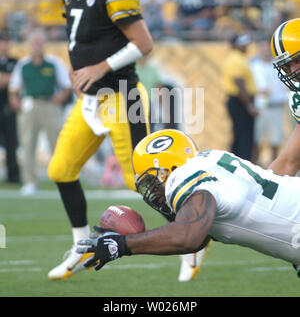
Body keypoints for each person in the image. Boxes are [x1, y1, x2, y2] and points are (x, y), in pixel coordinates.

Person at [46, 0, 153, 281]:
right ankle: (80, 247)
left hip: (122, 94)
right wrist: (78, 72)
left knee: (141, 179)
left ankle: (193, 235)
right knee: (61, 169)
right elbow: (76, 40)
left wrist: (99, 68)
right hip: (91, 99)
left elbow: (143, 43)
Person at [76, 129, 300, 280]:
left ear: (169, 168)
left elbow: (187, 236)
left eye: (152, 180)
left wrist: (122, 245)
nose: (153, 190)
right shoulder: (209, 160)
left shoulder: (183, 177)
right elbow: (197, 240)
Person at [8, 28, 72, 195]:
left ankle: (62, 179)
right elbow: (14, 89)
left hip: (49, 104)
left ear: (44, 44)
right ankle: (29, 181)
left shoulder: (54, 63)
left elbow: (66, 86)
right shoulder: (23, 64)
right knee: (27, 144)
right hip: (29, 105)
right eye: (34, 42)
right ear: (29, 44)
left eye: (39, 42)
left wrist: (58, 100)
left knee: (57, 144)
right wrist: (17, 103)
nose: (37, 45)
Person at [268, 18, 300, 175]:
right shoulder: (297, 97)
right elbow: (289, 162)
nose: (294, 70)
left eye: (298, 60)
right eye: (287, 66)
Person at [250, 39, 287, 165]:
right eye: (263, 48)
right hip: (261, 107)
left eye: (267, 48)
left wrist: (285, 97)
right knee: (257, 139)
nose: (265, 51)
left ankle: (273, 169)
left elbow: (284, 85)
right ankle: (255, 166)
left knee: (275, 140)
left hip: (276, 106)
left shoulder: (277, 65)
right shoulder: (254, 65)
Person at [222, 34, 258, 161]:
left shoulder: (239, 58)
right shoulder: (235, 59)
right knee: (244, 135)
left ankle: (238, 161)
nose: (245, 46)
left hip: (240, 100)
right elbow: (239, 83)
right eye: (242, 44)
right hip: (240, 101)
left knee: (241, 133)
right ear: (236, 45)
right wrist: (249, 105)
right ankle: (243, 161)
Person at [0, 30, 20, 184]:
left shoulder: (15, 61)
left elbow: (17, 79)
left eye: (5, 42)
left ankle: (13, 176)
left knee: (11, 143)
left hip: (8, 108)